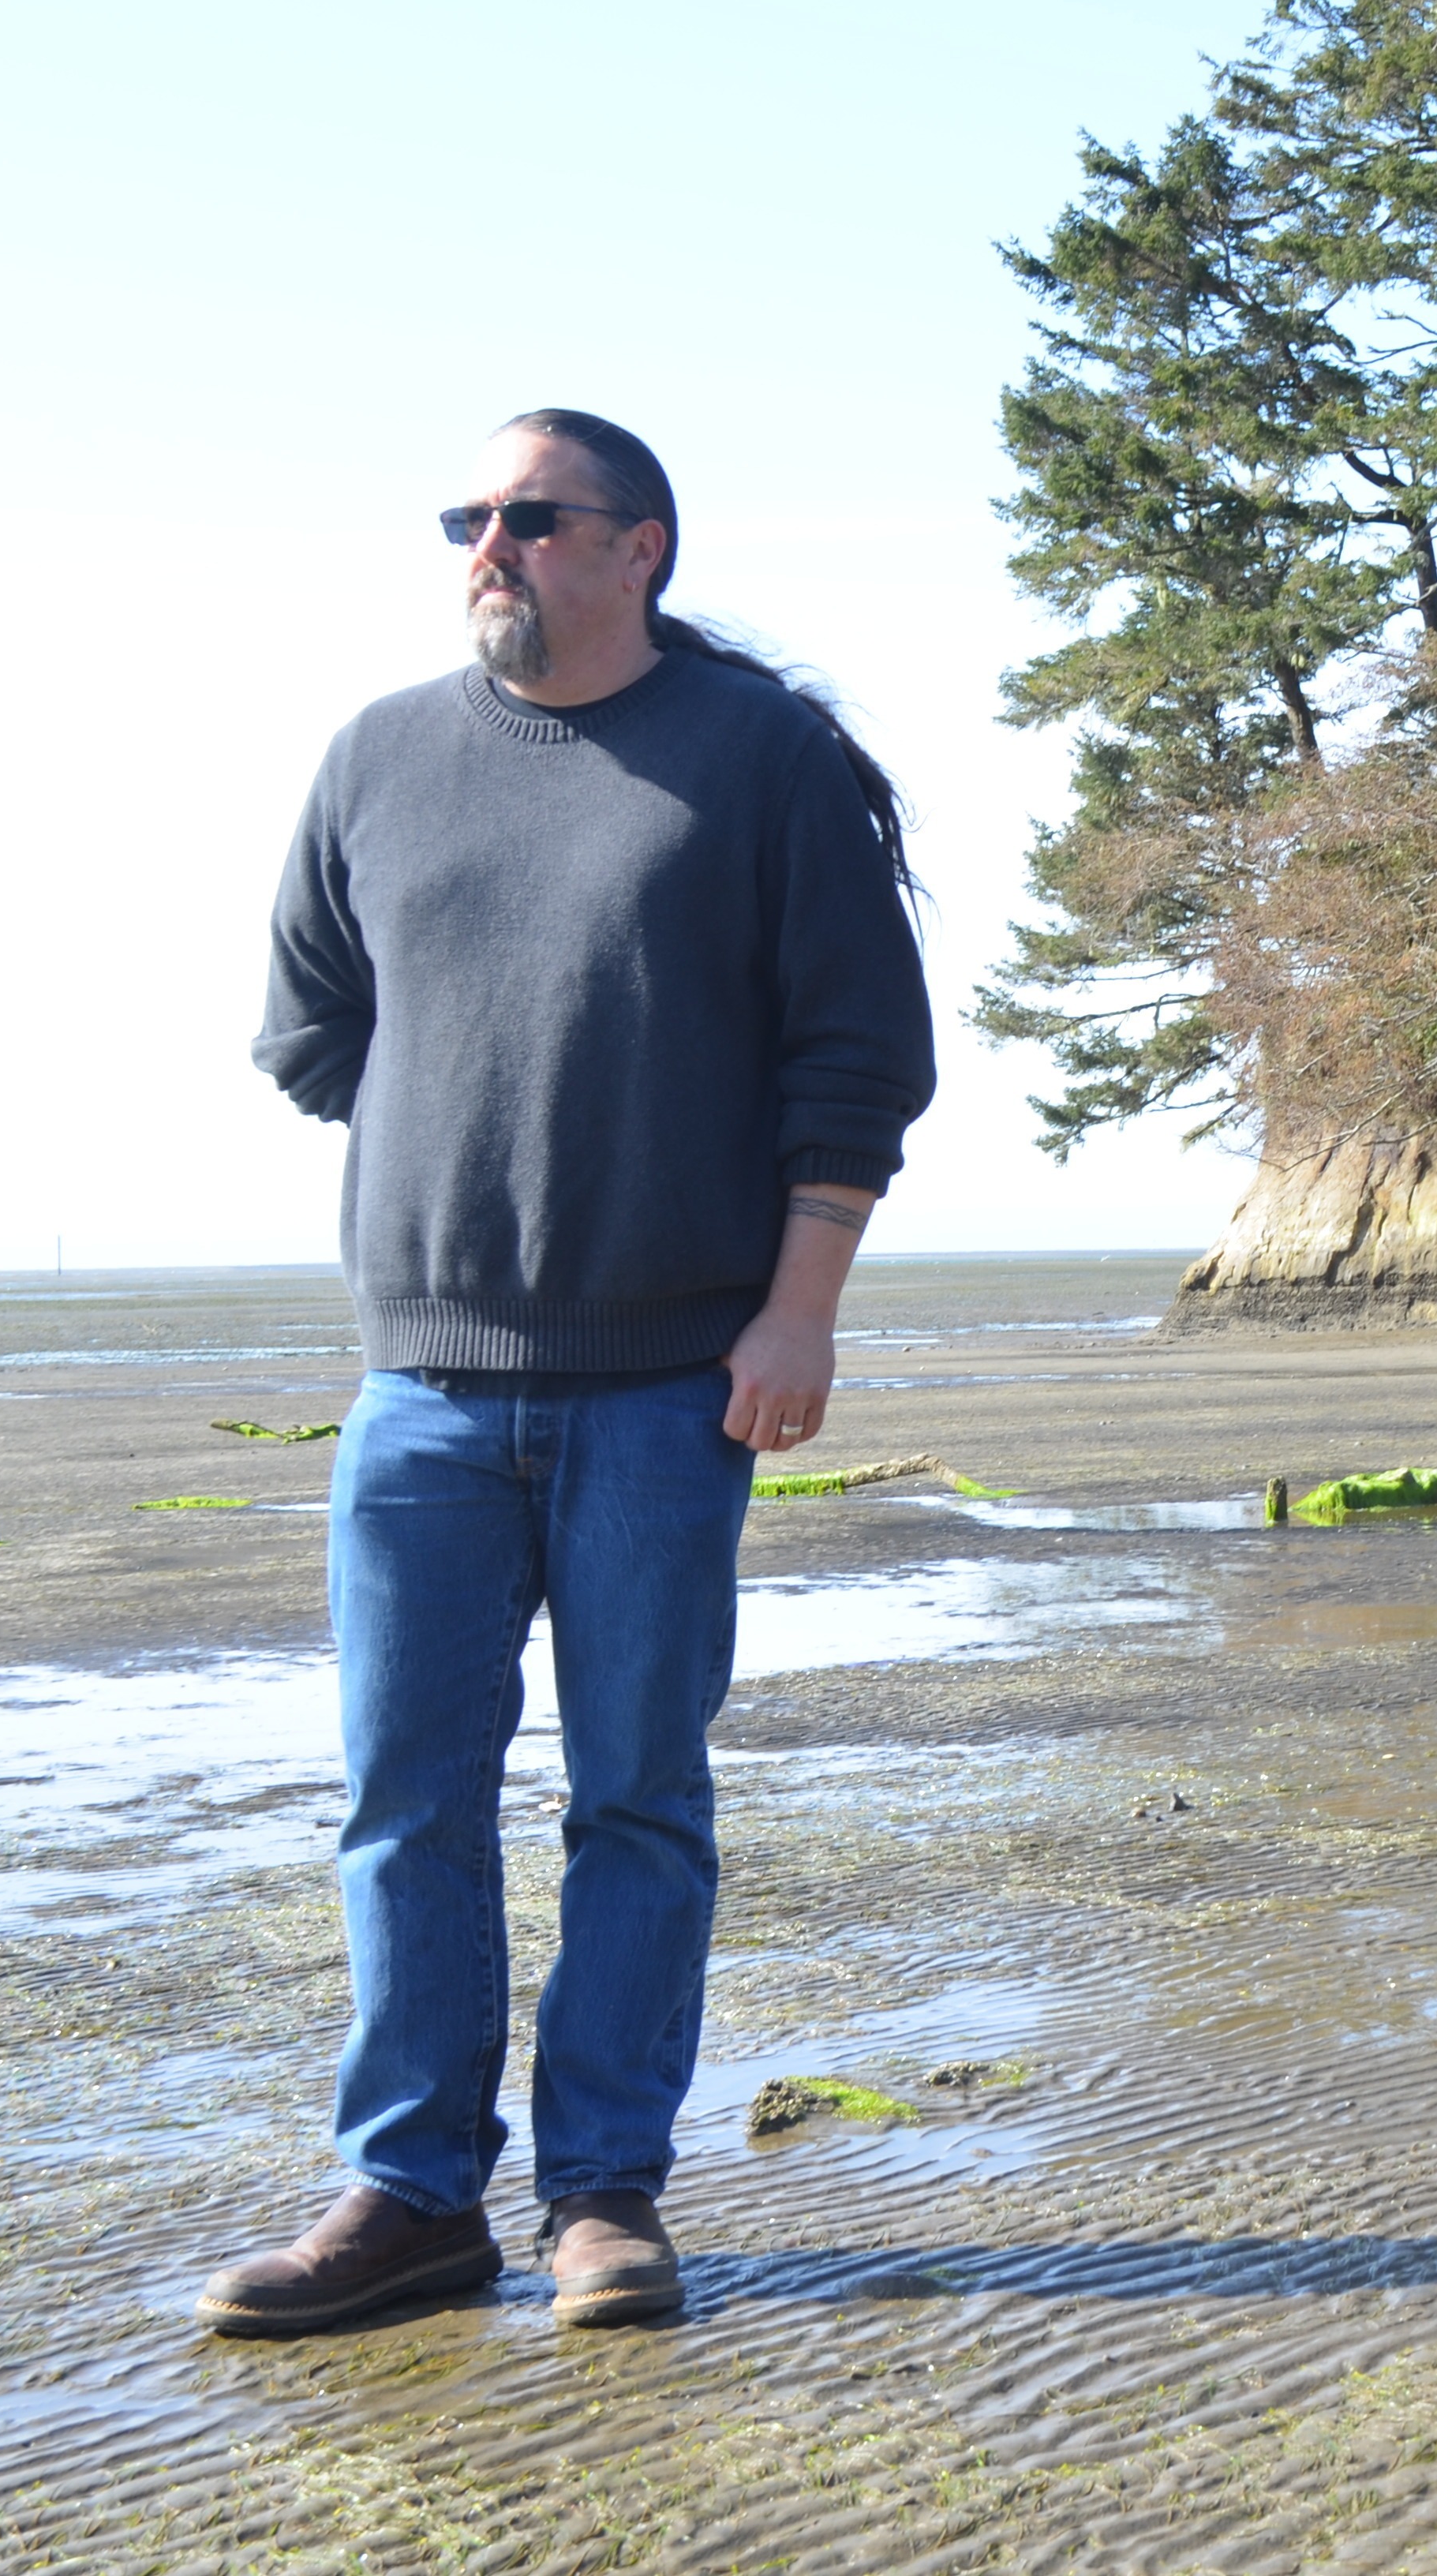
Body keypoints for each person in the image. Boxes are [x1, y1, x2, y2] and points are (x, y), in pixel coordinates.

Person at [196, 409, 936, 2336]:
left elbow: (857, 1063)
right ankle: (408, 2198)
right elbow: (312, 1029)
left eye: (532, 518)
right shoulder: (378, 756)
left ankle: (606, 2195)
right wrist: (477, 1144)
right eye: (472, 518)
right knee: (403, 1801)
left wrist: (795, 1307)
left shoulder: (764, 765)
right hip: (422, 1391)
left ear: (641, 549)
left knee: (637, 1797)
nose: (489, 547)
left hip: (668, 1384)